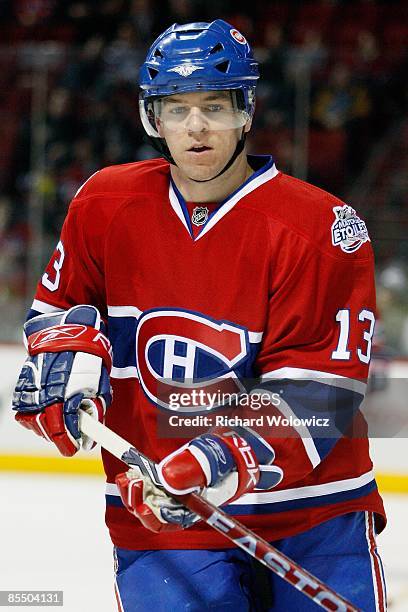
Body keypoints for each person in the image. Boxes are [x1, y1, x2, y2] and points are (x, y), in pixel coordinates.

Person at [12, 20, 387, 611]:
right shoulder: (103, 205)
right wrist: (63, 368)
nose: (196, 128)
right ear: (151, 118)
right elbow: (60, 311)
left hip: (312, 514)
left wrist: (218, 455)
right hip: (163, 520)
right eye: (176, 108)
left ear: (246, 110)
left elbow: (322, 389)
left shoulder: (322, 228)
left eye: (214, 105)